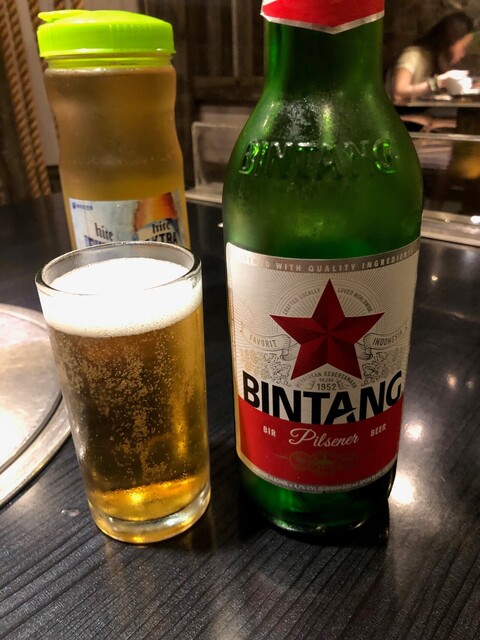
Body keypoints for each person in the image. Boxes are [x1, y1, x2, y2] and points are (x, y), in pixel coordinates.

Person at [391, 11, 475, 103]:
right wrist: (439, 82)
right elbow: (399, 90)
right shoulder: (413, 56)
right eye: (463, 47)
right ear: (451, 42)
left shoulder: (439, 60)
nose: (463, 54)